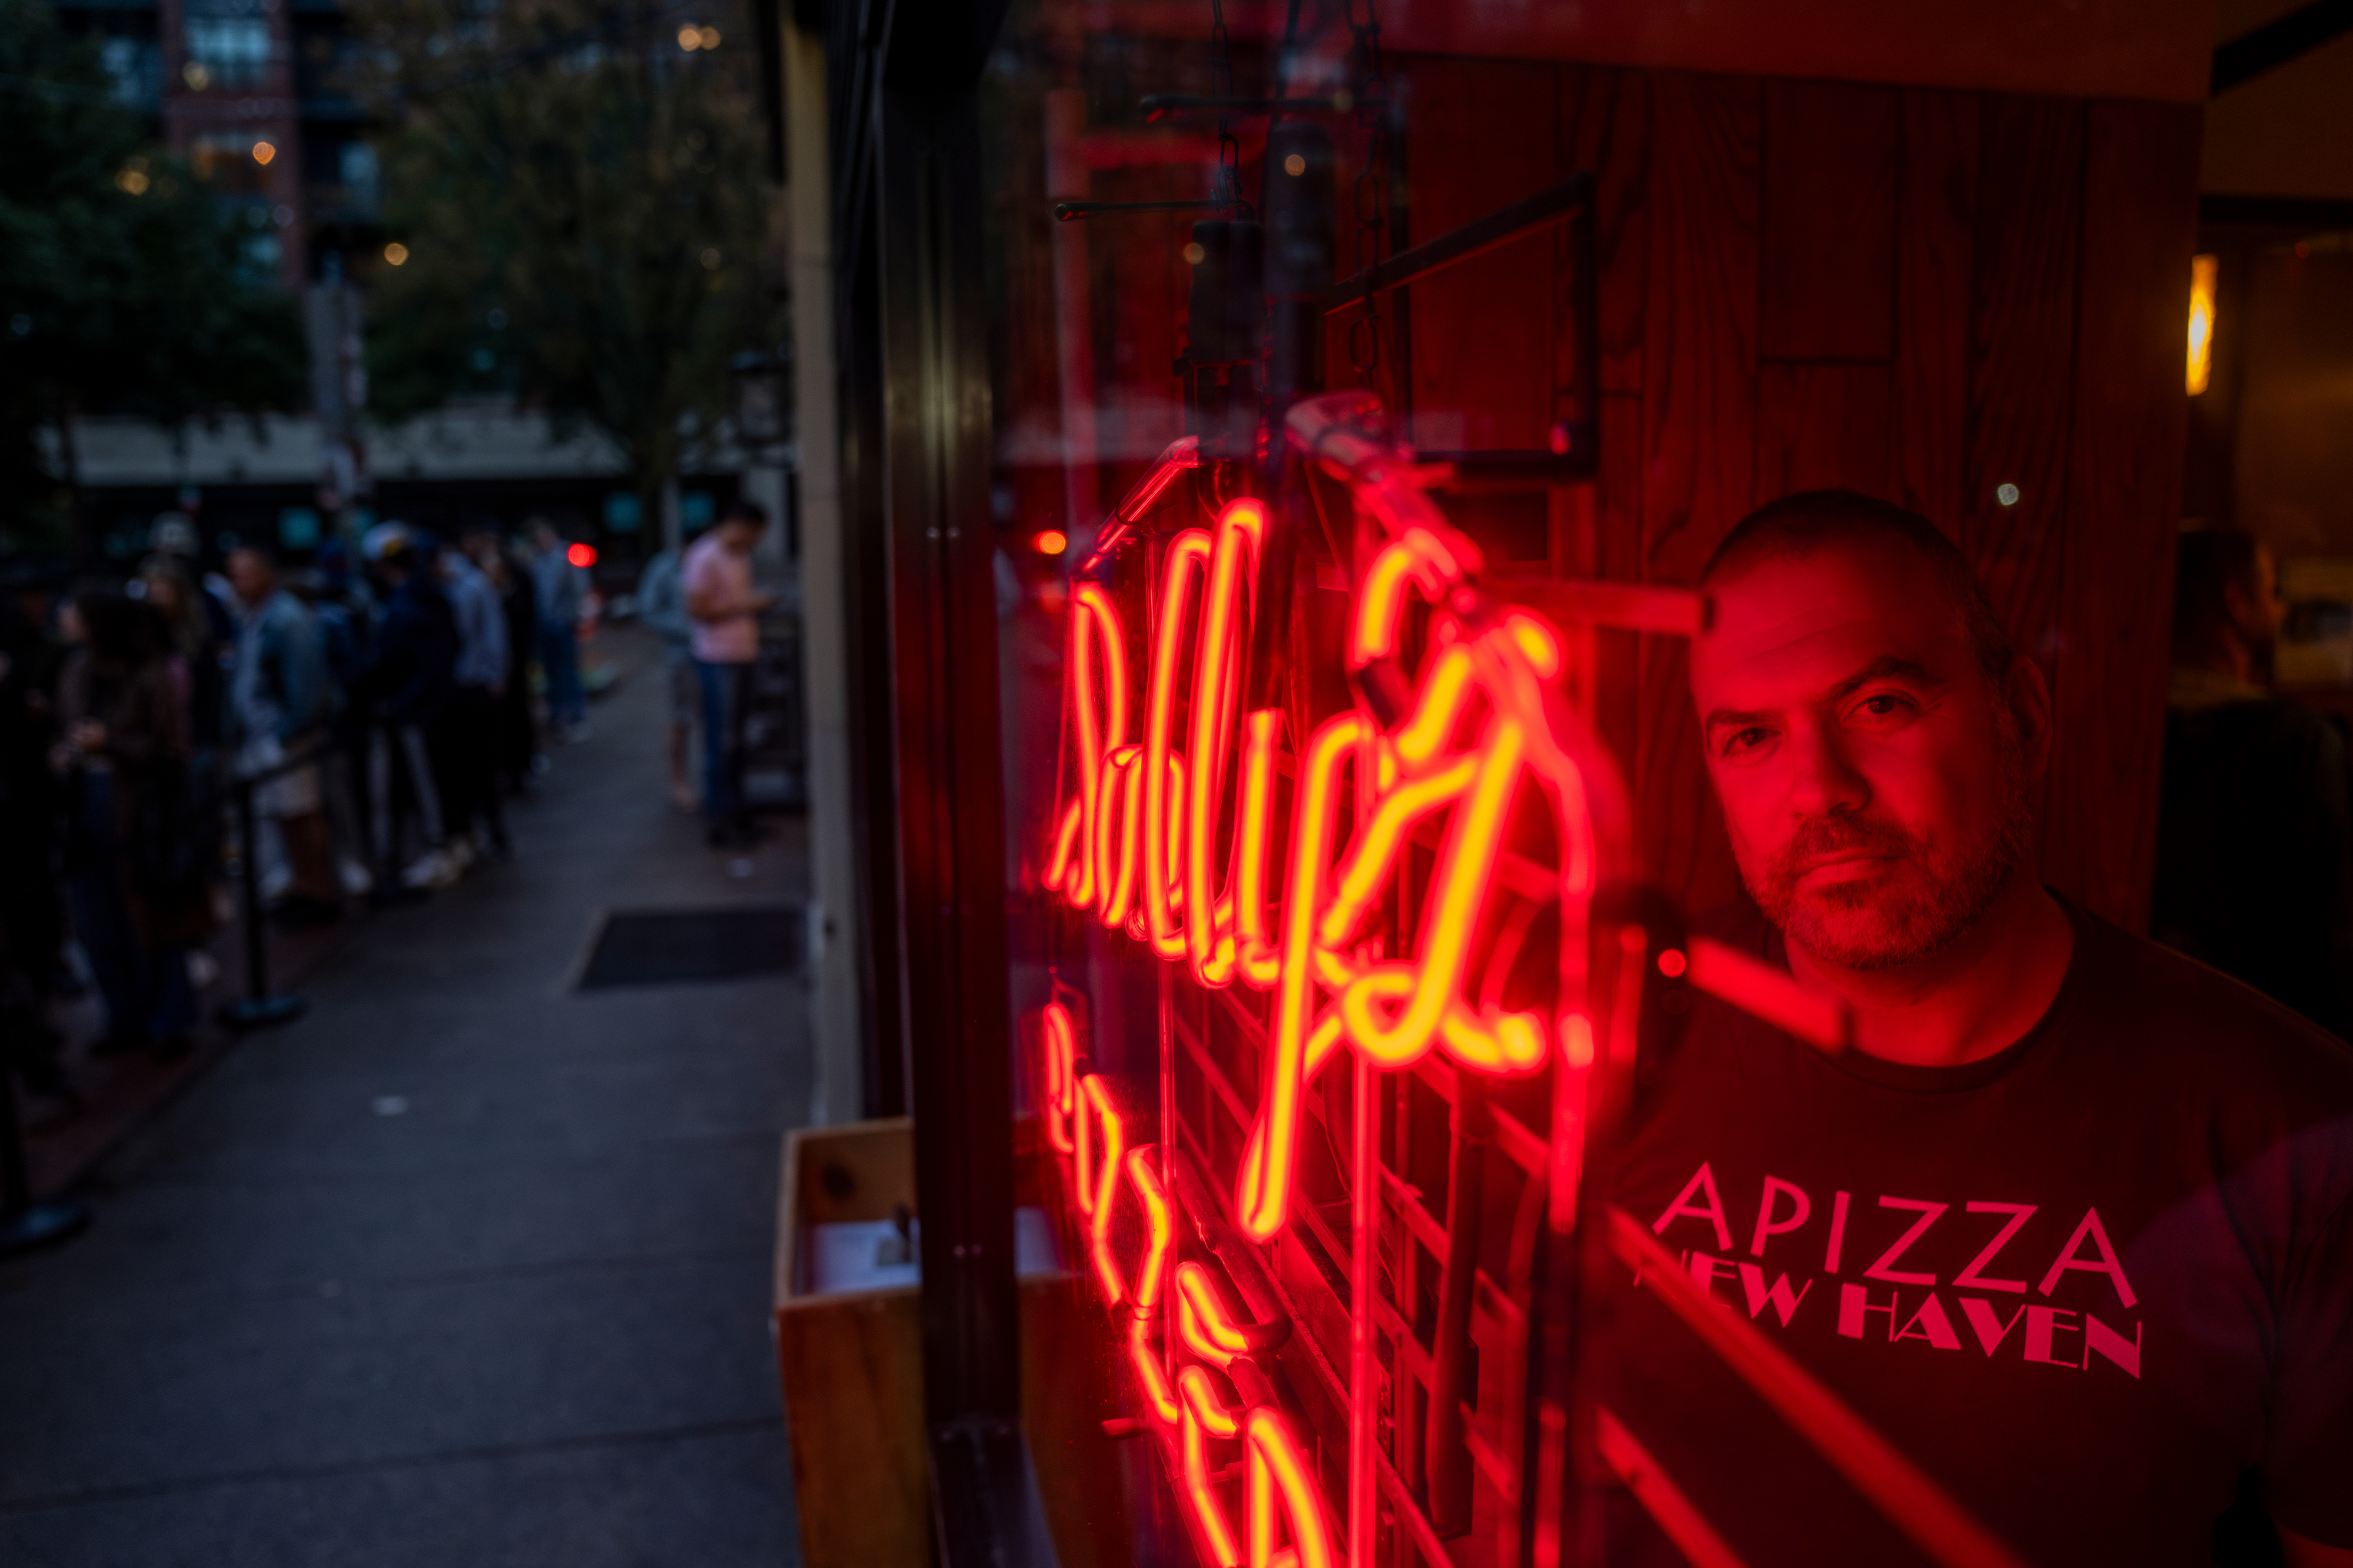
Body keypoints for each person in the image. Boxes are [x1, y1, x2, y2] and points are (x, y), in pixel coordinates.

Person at [1602, 491, 2353, 1567]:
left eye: (1882, 706)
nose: (1820, 790)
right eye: (1753, 736)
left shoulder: (2296, 1135)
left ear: (2026, 721)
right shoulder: (1599, 1035)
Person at [2151, 528, 2353, 1037]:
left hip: (2137, 1023)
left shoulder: (2120, 736)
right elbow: (2323, 945)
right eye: (2271, 593)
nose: (2283, 610)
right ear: (2235, 601)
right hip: (2269, 1044)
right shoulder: (2297, 744)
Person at [51, 588, 209, 1059]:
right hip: (87, 808)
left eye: (74, 609)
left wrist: (112, 743)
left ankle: (169, 1018)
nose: (64, 617)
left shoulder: (147, 675)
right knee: (98, 921)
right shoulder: (76, 671)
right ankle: (125, 1014)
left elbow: (172, 752)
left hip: (141, 812)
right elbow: (67, 731)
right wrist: (66, 753)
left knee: (155, 916)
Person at [225, 546, 339, 927]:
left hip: (287, 738)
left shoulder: (285, 618)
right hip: (267, 735)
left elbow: (306, 687)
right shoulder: (257, 616)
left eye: (245, 574)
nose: (238, 583)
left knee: (303, 815)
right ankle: (304, 887)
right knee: (287, 817)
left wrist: (287, 732)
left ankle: (319, 891)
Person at [357, 524, 463, 889]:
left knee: (430, 785)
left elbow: (392, 662)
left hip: (419, 710)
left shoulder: (405, 606)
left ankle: (442, 850)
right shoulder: (431, 598)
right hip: (436, 705)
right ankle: (451, 843)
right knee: (440, 780)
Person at [683, 500, 775, 845]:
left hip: (741, 653)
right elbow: (697, 608)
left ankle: (738, 813)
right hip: (717, 658)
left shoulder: (738, 556)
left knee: (736, 741)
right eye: (754, 534)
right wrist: (749, 605)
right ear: (740, 525)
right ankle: (721, 820)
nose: (755, 541)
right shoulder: (705, 555)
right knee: (722, 742)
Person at [435, 532, 512, 860]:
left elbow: (493, 634)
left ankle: (492, 833)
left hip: (475, 688)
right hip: (456, 689)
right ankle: (473, 834)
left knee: (482, 767)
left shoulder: (474, 587)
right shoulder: (445, 589)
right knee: (466, 769)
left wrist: (495, 677)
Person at [634, 530, 699, 813]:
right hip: (682, 654)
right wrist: (688, 630)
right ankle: (679, 784)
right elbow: (647, 610)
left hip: (713, 653)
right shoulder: (665, 568)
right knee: (680, 719)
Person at [528, 519, 587, 739]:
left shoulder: (565, 558)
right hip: (543, 625)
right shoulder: (534, 560)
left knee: (568, 672)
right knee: (550, 673)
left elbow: (578, 589)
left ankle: (576, 717)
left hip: (561, 625)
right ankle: (556, 716)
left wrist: (571, 619)